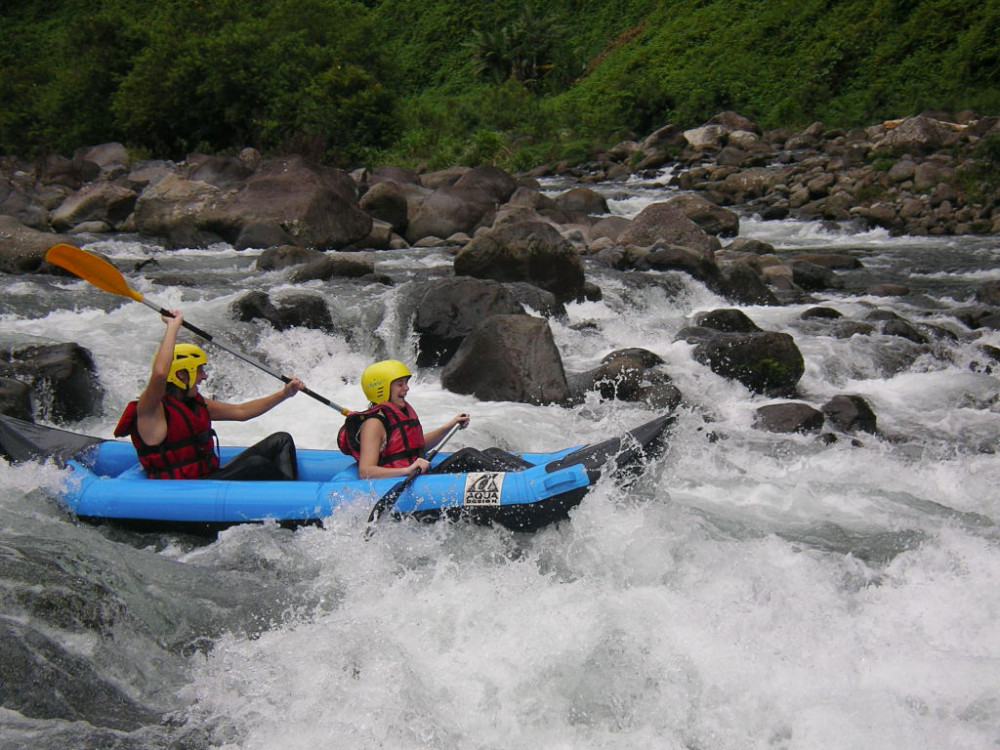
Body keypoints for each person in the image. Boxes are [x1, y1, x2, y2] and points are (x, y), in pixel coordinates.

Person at [114, 311, 304, 481]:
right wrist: (173, 327)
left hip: (209, 478)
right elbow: (160, 374)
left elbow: (241, 411)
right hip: (186, 493)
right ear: (181, 374)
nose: (204, 376)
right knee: (256, 465)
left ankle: (291, 498)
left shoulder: (194, 404)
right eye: (199, 370)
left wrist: (284, 394)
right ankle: (290, 511)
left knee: (281, 440)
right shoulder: (152, 410)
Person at [338, 359, 531, 479]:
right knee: (467, 455)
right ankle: (523, 479)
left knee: (493, 451)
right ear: (380, 389)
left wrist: (450, 426)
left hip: (418, 475)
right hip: (402, 481)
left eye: (405, 383)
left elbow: (418, 444)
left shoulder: (399, 413)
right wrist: (406, 470)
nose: (406, 388)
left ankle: (538, 471)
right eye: (399, 384)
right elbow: (366, 472)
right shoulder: (374, 424)